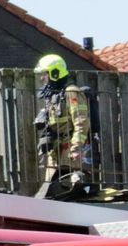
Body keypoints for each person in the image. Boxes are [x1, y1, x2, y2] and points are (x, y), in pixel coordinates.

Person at [33, 52, 93, 199]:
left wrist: (76, 147)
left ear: (55, 73)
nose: (42, 78)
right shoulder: (54, 95)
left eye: (45, 74)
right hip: (55, 152)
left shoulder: (71, 92)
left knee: (67, 191)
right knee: (50, 191)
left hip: (69, 152)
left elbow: (81, 121)